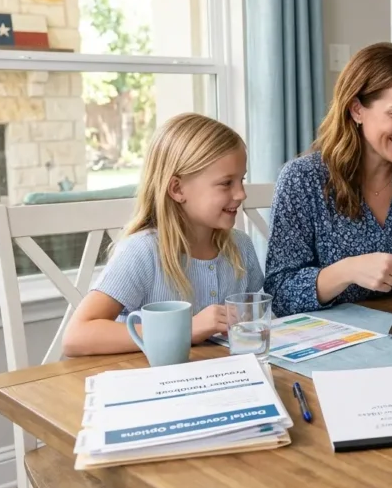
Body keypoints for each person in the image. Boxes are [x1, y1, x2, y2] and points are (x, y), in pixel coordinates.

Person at [264, 42, 392, 315]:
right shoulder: (302, 180)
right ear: (357, 110)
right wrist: (346, 271)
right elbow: (280, 292)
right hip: (330, 341)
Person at [62, 113, 263, 357]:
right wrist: (183, 329)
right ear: (177, 189)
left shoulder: (241, 247)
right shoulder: (143, 252)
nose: (241, 193)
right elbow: (76, 337)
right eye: (226, 183)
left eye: (241, 180)